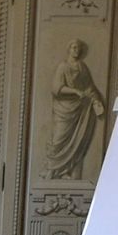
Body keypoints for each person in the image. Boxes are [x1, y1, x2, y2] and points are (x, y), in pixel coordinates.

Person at [45, 38, 106, 179]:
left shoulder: (82, 67)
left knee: (77, 142)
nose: (76, 50)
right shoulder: (63, 67)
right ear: (69, 49)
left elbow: (89, 87)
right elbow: (56, 88)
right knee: (59, 139)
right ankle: (51, 170)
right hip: (63, 110)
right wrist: (75, 91)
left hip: (79, 110)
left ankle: (67, 171)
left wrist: (96, 100)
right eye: (73, 47)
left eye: (78, 48)